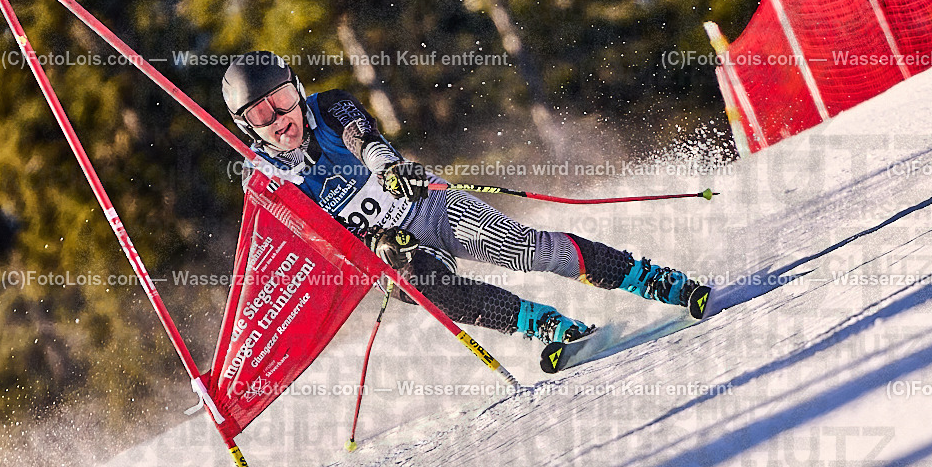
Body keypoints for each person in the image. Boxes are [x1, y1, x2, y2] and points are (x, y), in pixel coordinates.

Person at [221, 51, 707, 355]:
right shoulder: (265, 180)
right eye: (261, 114)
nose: (279, 118)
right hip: (391, 251)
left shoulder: (328, 106)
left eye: (282, 99)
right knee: (435, 291)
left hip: (425, 204)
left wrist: (388, 166)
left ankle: (654, 280)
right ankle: (547, 326)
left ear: (298, 90)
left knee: (522, 248)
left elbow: (362, 136)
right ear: (247, 128)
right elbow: (288, 250)